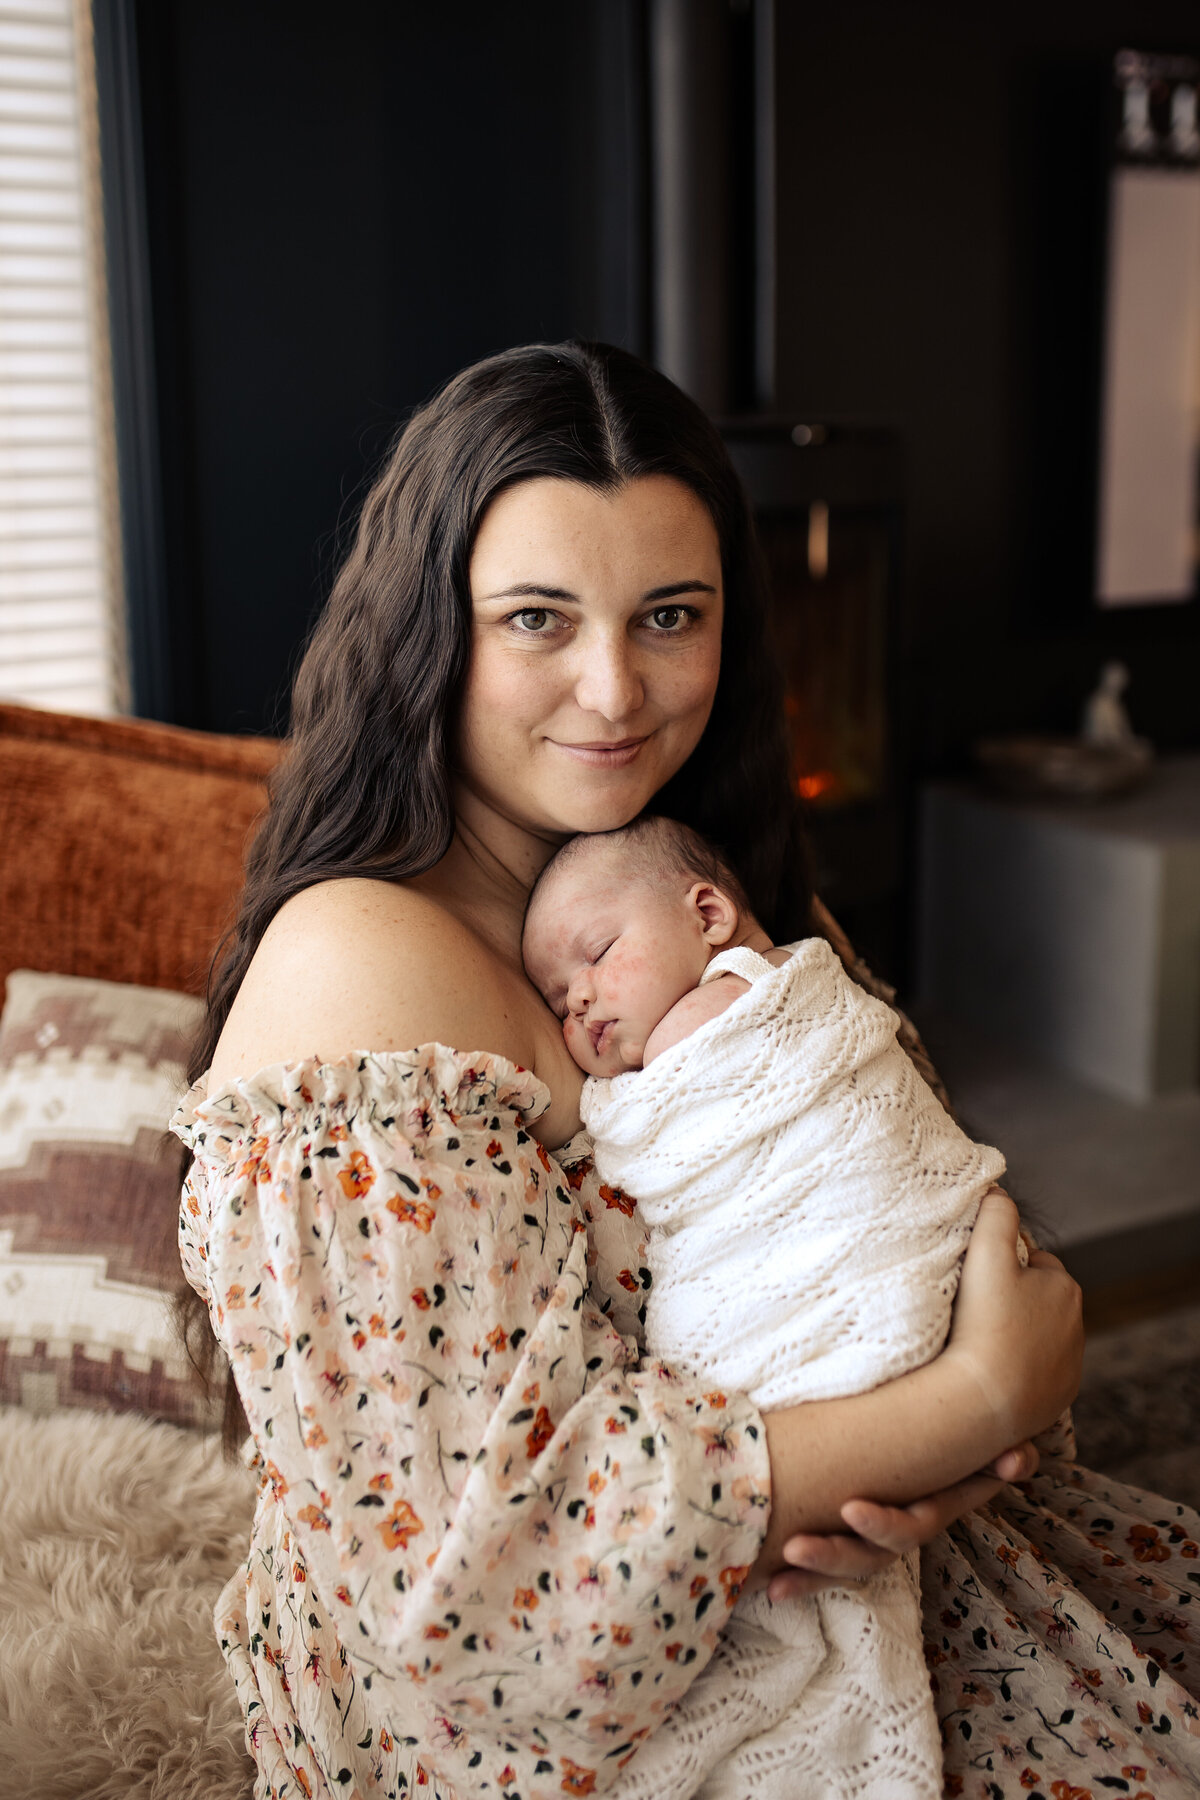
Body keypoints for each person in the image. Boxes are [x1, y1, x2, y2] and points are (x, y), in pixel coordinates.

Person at [171, 341, 1199, 1800]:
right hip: (533, 1720)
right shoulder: (364, 961)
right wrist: (968, 1400)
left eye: (671, 615)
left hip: (858, 1569)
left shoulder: (682, 894)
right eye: (538, 618)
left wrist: (983, 1410)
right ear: (427, 632)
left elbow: (895, 1208)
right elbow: (481, 1587)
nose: (615, 691)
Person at [520, 813, 1012, 1797]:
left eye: (599, 959)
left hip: (848, 1272)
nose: (581, 1007)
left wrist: (611, 1105)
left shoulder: (736, 1004)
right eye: (559, 998)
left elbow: (648, 1132)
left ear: (707, 916)